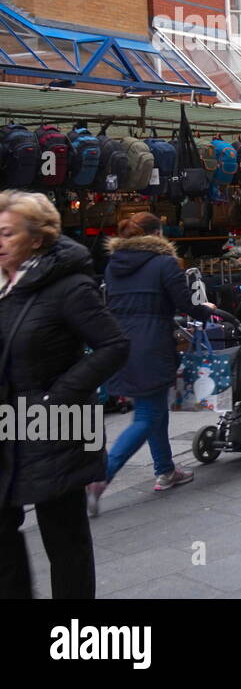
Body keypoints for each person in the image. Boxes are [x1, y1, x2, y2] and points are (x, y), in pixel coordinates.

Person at [0, 190, 128, 599]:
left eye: (6, 234)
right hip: (8, 423)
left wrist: (57, 398)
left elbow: (114, 345)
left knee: (64, 536)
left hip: (57, 423)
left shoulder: (69, 286)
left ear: (37, 239)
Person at [86, 213, 215, 517]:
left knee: (152, 408)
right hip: (152, 343)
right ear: (157, 234)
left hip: (120, 342)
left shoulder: (114, 265)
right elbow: (185, 304)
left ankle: (166, 471)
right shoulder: (164, 263)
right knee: (146, 415)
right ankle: (101, 475)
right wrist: (206, 309)